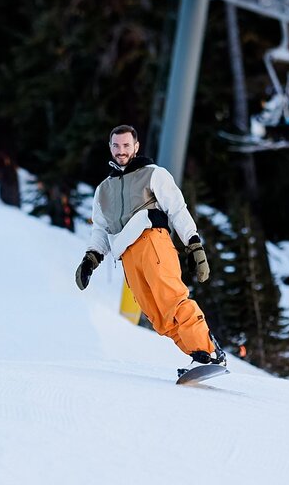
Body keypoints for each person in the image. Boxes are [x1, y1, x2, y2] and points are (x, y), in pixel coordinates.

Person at [74, 124, 225, 369]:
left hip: (151, 241)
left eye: (126, 145)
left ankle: (208, 351)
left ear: (136, 146)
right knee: (159, 318)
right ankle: (201, 358)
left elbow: (177, 209)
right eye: (116, 145)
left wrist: (193, 245)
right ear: (110, 147)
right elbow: (100, 229)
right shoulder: (103, 190)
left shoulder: (153, 173)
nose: (121, 150)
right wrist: (90, 259)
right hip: (127, 256)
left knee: (172, 300)